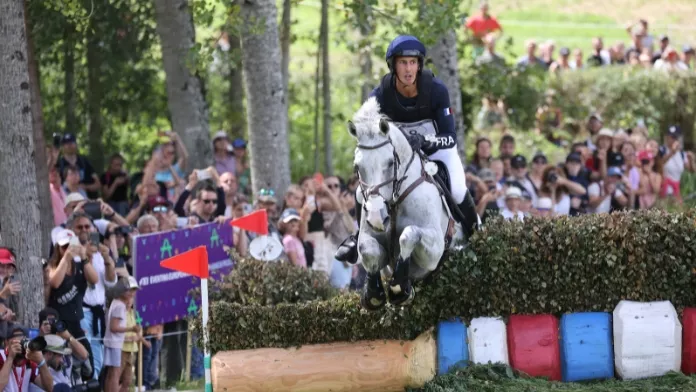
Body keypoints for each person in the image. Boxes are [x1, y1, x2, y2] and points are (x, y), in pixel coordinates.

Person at [335, 35, 480, 264]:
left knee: (459, 189)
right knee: (360, 193)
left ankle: (477, 238)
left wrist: (425, 141)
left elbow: (450, 137)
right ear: (393, 65)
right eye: (403, 62)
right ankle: (357, 237)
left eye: (413, 62)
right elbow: (365, 128)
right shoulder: (380, 95)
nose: (408, 69)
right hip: (400, 159)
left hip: (436, 152)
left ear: (420, 65)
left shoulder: (436, 90)